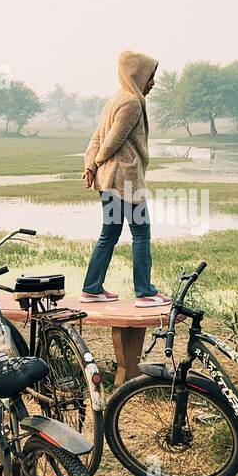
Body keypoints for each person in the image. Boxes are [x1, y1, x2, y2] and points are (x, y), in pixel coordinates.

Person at [79, 50, 170, 307]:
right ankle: (145, 292)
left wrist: (90, 166)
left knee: (109, 234)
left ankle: (92, 288)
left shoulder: (116, 99)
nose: (152, 83)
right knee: (141, 233)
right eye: (149, 77)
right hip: (125, 180)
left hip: (109, 181)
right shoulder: (131, 102)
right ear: (137, 75)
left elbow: (96, 138)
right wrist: (96, 163)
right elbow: (111, 140)